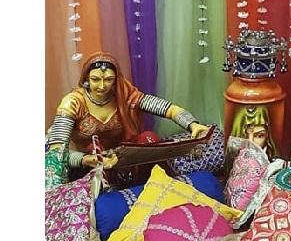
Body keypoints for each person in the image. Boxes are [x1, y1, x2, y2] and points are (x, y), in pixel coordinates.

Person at [46, 51, 209, 171]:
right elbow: (56, 150)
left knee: (149, 138)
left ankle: (154, 186)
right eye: (95, 80)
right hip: (91, 163)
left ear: (116, 80)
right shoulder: (74, 102)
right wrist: (84, 159)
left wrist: (192, 124)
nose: (102, 86)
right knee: (93, 149)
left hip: (125, 157)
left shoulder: (125, 95)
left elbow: (167, 109)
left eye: (108, 80)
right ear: (86, 79)